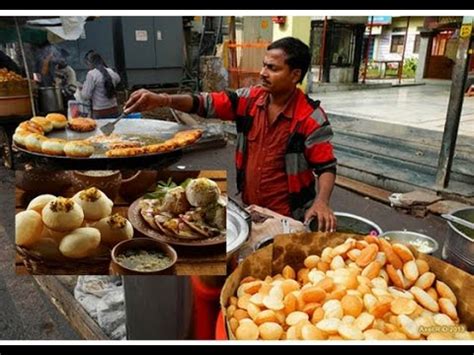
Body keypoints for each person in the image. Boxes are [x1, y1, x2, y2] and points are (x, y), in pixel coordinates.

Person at [124, 37, 337, 232]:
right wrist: (163, 99)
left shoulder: (311, 117)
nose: (263, 72)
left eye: (272, 68)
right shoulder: (249, 100)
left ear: (295, 75)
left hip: (289, 217)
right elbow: (205, 103)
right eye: (264, 65)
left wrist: (322, 202)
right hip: (251, 210)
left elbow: (326, 166)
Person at [80, 50, 121, 119]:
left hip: (99, 112)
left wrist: (83, 88)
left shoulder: (92, 74)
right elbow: (118, 80)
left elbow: (86, 96)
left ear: (90, 62)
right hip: (114, 109)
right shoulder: (111, 71)